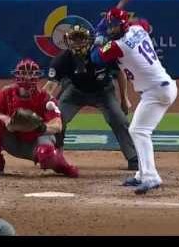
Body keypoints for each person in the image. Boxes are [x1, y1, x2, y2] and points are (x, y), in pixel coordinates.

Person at [90, 8, 178, 195]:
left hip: (156, 92)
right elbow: (144, 22)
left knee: (138, 131)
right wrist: (112, 20)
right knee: (139, 130)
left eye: (114, 27)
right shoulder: (138, 28)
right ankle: (141, 174)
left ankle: (151, 177)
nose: (111, 30)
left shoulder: (119, 46)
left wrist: (99, 33)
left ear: (122, 26)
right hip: (162, 88)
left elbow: (95, 57)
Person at [42, 23, 139, 171]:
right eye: (73, 39)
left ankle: (133, 158)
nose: (77, 43)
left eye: (81, 39)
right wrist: (38, 104)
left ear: (89, 40)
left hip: (103, 92)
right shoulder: (63, 59)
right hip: (75, 91)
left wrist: (124, 98)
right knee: (58, 118)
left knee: (119, 119)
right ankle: (56, 155)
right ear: (67, 41)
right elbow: (50, 86)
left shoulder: (102, 53)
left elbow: (120, 73)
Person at [0, 58, 79, 178]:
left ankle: (63, 166)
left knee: (46, 154)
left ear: (37, 76)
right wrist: (6, 119)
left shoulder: (45, 98)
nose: (27, 77)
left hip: (35, 141)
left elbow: (58, 125)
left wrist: (41, 127)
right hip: (14, 139)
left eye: (31, 74)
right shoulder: (5, 93)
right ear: (17, 75)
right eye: (24, 73)